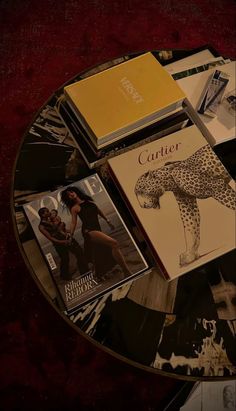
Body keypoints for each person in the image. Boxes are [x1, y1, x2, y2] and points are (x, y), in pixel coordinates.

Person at [60, 186, 131, 279]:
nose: (71, 195)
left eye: (71, 192)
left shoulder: (89, 201)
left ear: (75, 191)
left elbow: (98, 211)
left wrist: (108, 221)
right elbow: (74, 222)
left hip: (97, 228)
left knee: (100, 251)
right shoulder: (75, 208)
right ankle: (127, 272)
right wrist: (71, 234)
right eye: (68, 195)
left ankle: (98, 273)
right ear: (68, 198)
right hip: (88, 231)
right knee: (114, 243)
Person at [38, 207, 89, 280]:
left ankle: (85, 272)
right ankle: (64, 276)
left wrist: (70, 232)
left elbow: (62, 229)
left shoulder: (52, 218)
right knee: (65, 259)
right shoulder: (41, 226)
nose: (49, 212)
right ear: (43, 215)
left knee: (79, 252)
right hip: (59, 243)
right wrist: (62, 242)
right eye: (47, 211)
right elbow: (51, 238)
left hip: (67, 238)